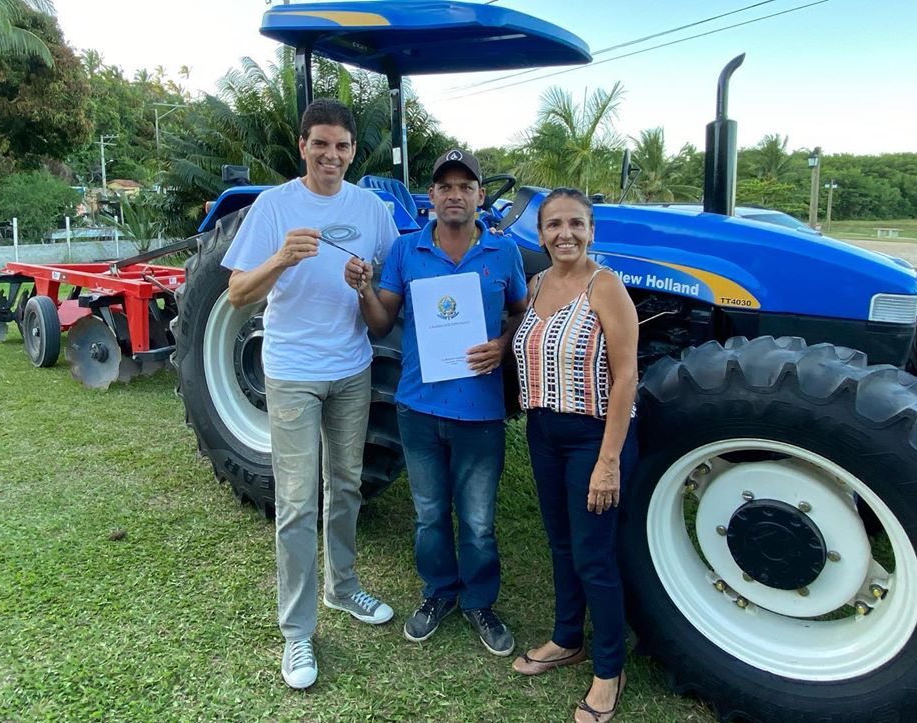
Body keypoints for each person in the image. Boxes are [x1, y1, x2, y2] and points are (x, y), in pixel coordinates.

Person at [221, 98, 398, 690]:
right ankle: (297, 632)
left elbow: (385, 287)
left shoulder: (371, 208)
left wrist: (365, 283)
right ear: (302, 146)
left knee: (345, 485)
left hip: (351, 367)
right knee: (297, 503)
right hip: (293, 371)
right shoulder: (273, 207)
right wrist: (281, 257)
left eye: (342, 146)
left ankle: (342, 587)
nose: (331, 155)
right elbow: (240, 293)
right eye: (320, 143)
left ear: (353, 152)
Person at [344, 149, 527, 657]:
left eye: (465, 186)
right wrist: (362, 291)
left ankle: (479, 602)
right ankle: (438, 593)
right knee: (428, 514)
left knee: (477, 520)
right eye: (444, 186)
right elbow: (382, 324)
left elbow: (519, 312)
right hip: (419, 407)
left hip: (480, 411)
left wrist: (504, 345)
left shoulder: (503, 253)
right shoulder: (406, 251)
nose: (454, 194)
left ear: (479, 196)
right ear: (432, 197)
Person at [510, 188, 639, 723]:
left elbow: (629, 374)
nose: (565, 234)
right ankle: (567, 639)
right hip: (543, 431)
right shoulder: (536, 285)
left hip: (593, 436)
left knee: (593, 553)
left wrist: (608, 460)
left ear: (591, 231)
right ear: (540, 234)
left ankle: (610, 667)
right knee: (561, 543)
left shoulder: (604, 286)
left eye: (576, 224)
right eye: (554, 225)